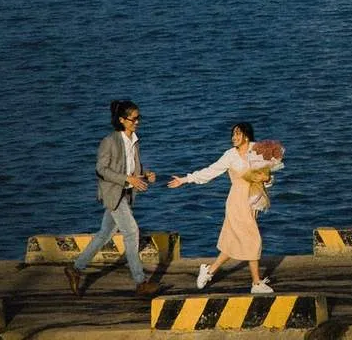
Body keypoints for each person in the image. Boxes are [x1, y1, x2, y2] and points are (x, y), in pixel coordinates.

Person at [65, 100, 159, 298]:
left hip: (125, 194)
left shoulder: (134, 141)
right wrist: (127, 178)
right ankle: (140, 282)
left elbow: (134, 169)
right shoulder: (109, 141)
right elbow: (101, 169)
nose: (137, 122)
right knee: (132, 232)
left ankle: (75, 269)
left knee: (104, 234)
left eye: (138, 118)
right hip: (113, 194)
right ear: (122, 120)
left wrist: (146, 174)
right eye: (134, 119)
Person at [168, 122, 273, 294]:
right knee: (253, 239)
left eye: (237, 134)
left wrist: (267, 179)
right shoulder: (230, 155)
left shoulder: (258, 150)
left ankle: (209, 271)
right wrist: (185, 179)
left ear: (246, 136)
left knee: (234, 241)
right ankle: (256, 283)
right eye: (232, 135)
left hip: (253, 200)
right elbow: (210, 171)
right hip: (237, 201)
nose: (234, 138)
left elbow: (267, 178)